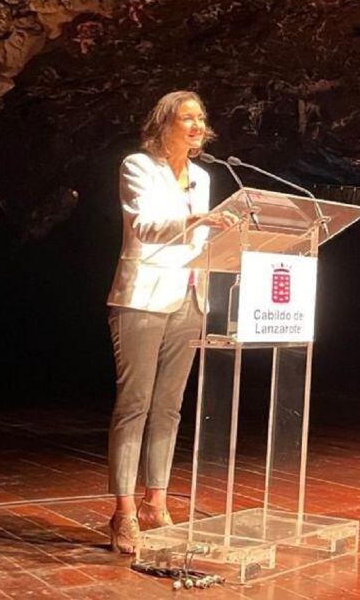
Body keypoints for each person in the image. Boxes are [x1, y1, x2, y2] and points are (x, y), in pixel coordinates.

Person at [104, 91, 237, 554]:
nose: (198, 125)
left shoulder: (201, 177)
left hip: (190, 295)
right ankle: (122, 512)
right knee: (135, 403)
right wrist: (195, 219)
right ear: (164, 124)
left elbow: (200, 238)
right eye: (188, 118)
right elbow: (143, 226)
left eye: (202, 117)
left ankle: (155, 502)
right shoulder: (138, 166)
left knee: (170, 406)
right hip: (143, 295)